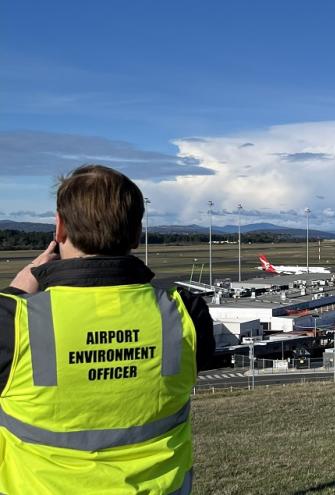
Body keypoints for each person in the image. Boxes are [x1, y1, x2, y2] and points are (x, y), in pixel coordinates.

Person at [0, 165, 215, 494]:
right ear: (136, 234)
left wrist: (16, 294)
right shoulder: (187, 312)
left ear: (59, 227)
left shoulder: (13, 322)